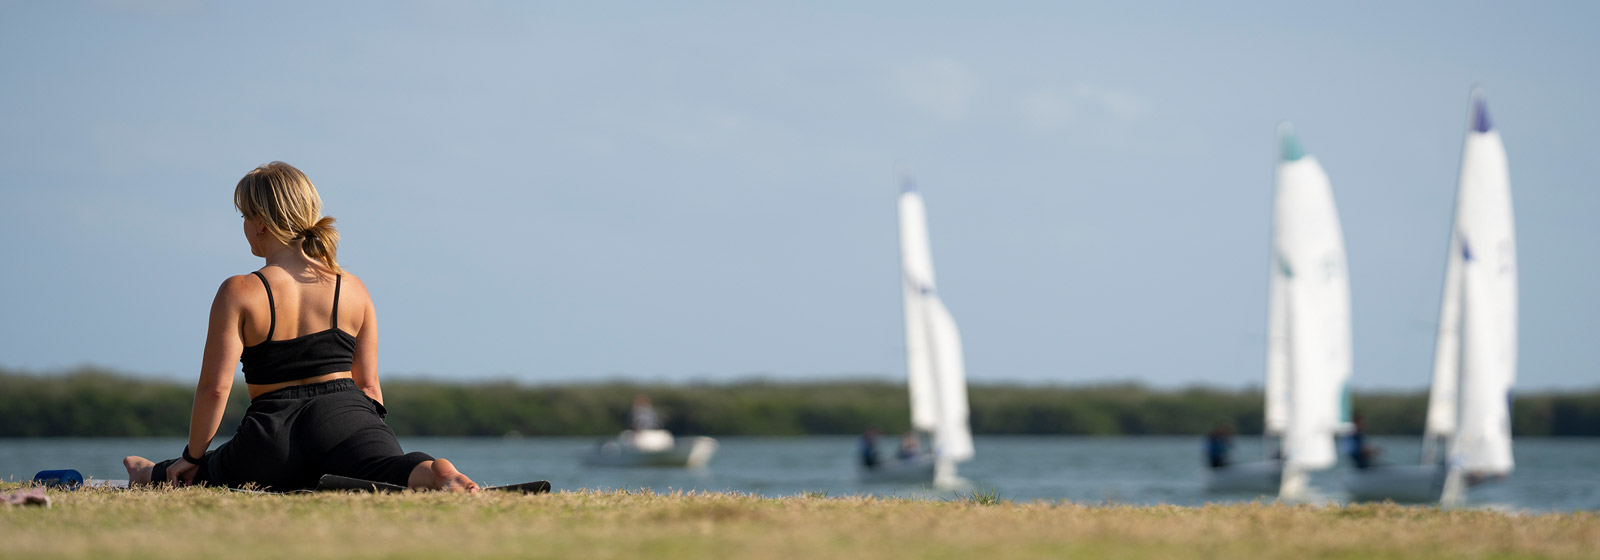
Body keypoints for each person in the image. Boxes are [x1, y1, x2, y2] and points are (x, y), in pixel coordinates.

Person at [122, 162, 478, 492]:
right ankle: (433, 472)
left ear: (261, 222)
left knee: (203, 470)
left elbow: (215, 389)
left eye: (245, 216)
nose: (244, 226)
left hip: (271, 436)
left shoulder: (240, 291)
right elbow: (368, 384)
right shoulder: (352, 287)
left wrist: (194, 455)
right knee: (388, 468)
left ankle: (146, 472)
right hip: (347, 421)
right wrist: (366, 436)